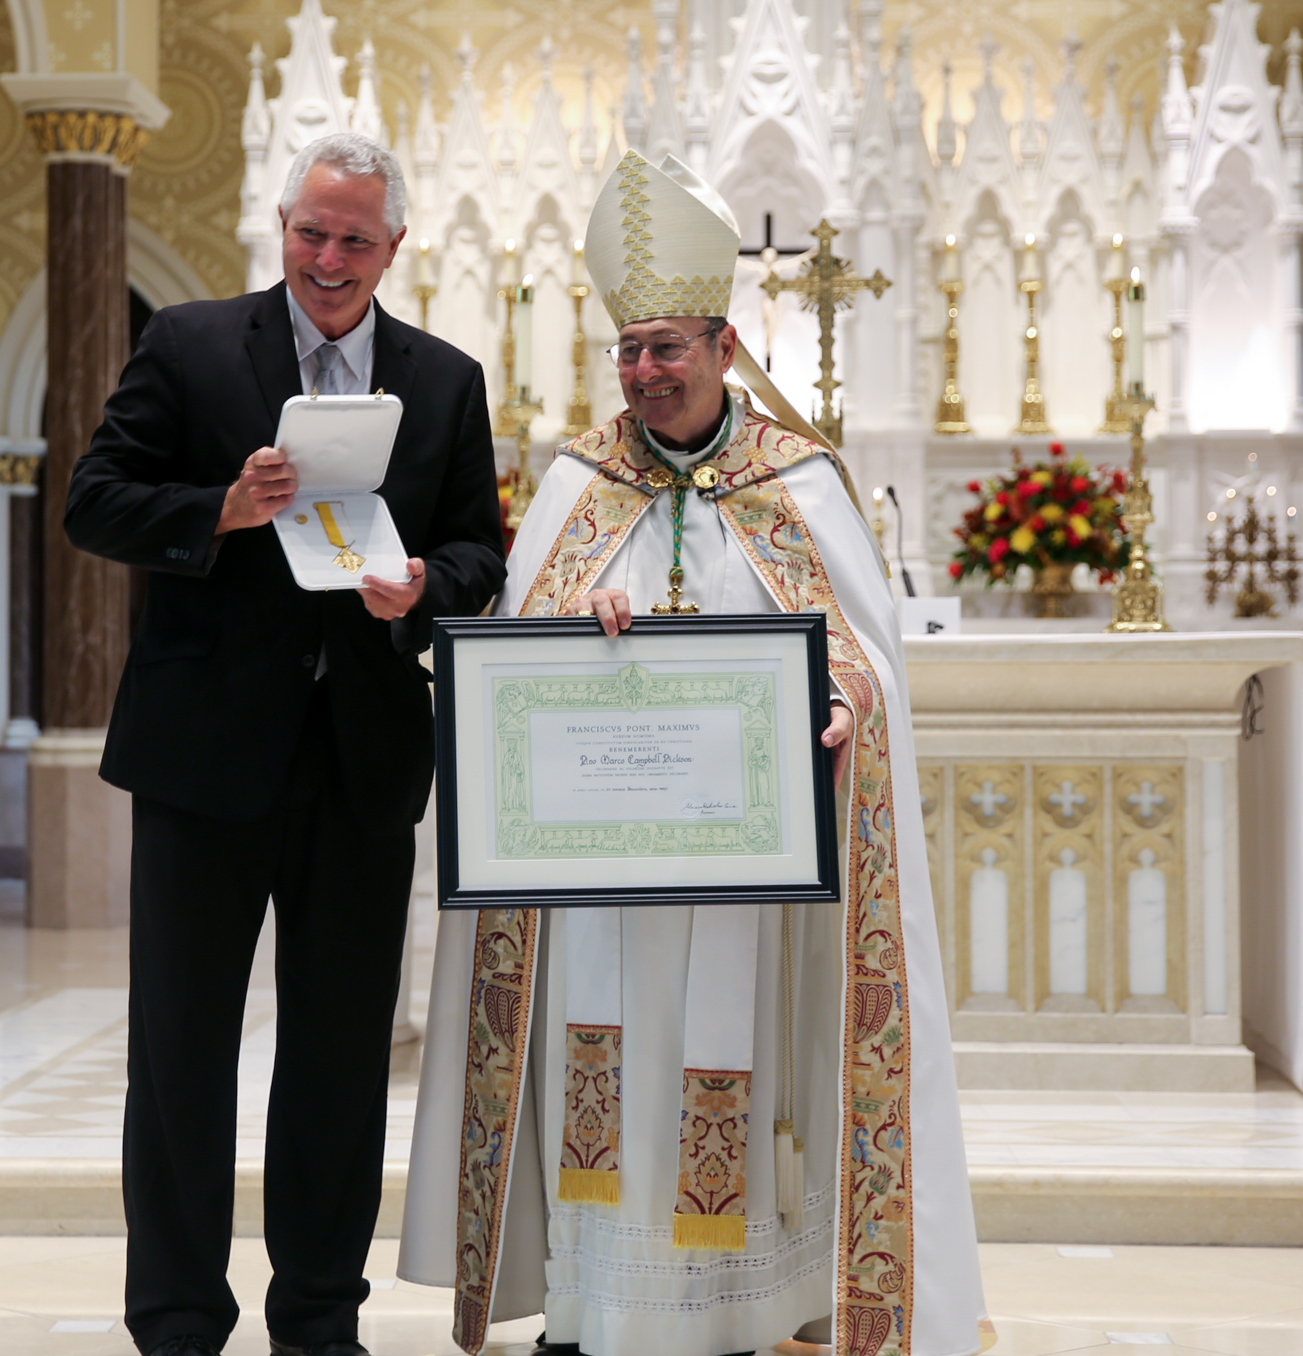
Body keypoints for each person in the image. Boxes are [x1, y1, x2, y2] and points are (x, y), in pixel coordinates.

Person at [397, 152, 993, 1356]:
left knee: (730, 1059)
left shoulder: (798, 481)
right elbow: (513, 664)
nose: (644, 372)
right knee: (598, 1063)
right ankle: (590, 1306)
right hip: (601, 887)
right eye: (627, 351)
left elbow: (865, 662)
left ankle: (746, 1312)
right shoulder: (577, 484)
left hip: (742, 879)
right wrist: (572, 633)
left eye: (666, 347)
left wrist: (837, 704)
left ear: (724, 347)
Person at [66, 132, 506, 1356]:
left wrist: (420, 583)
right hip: (204, 757)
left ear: (393, 249)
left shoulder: (445, 378)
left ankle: (318, 1319)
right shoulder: (193, 344)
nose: (327, 258)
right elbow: (92, 498)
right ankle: (174, 1321)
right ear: (280, 223)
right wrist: (220, 504)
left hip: (359, 759)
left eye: (354, 240)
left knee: (338, 1056)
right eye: (311, 232)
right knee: (180, 1058)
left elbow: (481, 552)